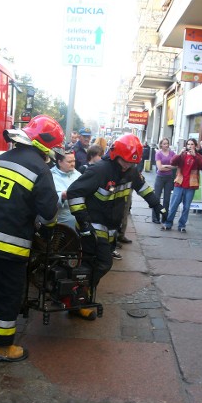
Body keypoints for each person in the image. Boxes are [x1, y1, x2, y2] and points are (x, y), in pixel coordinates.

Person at [0, 115, 64, 362]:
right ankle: (0, 347)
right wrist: (47, 227)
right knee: (9, 293)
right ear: (46, 146)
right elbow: (49, 214)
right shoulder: (40, 169)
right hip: (7, 244)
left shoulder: (2, 159)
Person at [67, 134, 165, 319]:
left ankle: (78, 297)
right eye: (125, 161)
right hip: (93, 225)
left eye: (131, 162)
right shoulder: (100, 170)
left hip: (111, 226)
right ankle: (76, 295)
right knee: (103, 262)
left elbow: (143, 188)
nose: (128, 165)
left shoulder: (130, 171)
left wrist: (157, 205)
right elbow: (74, 193)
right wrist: (84, 222)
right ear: (115, 155)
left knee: (93, 264)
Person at [161, 138, 202, 232]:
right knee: (173, 205)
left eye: (192, 144)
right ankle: (168, 223)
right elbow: (172, 162)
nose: (190, 146)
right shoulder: (183, 155)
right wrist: (179, 153)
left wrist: (195, 156)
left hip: (190, 185)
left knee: (186, 207)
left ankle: (181, 225)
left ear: (195, 146)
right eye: (188, 144)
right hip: (179, 184)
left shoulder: (198, 156)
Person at [51, 149, 81, 230]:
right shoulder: (51, 176)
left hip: (79, 220)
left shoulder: (77, 174)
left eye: (74, 161)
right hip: (62, 222)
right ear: (60, 162)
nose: (73, 164)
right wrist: (62, 196)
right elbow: (49, 199)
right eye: (69, 162)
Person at [152, 138, 175, 224]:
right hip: (160, 178)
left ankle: (164, 218)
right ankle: (155, 217)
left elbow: (175, 165)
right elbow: (160, 168)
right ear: (161, 145)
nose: (166, 145)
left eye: (167, 144)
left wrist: (165, 166)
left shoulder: (172, 153)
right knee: (156, 198)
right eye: (164, 144)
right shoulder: (158, 153)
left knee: (166, 199)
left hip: (169, 178)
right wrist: (169, 167)